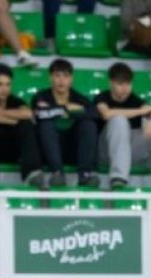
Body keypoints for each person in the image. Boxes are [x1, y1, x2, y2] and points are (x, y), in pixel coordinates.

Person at [95, 63, 151, 192]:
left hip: (132, 151)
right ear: (111, 82)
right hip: (107, 151)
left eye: (128, 84)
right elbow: (106, 114)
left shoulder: (135, 99)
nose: (124, 89)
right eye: (120, 84)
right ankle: (118, 177)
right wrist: (141, 111)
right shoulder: (102, 97)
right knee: (118, 120)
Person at [33, 59, 99, 188]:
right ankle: (57, 173)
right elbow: (40, 114)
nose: (61, 81)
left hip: (73, 148)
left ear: (71, 79)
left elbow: (94, 114)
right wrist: (67, 109)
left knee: (89, 125)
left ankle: (85, 173)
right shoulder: (41, 96)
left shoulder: (78, 97)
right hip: (48, 149)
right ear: (50, 78)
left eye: (65, 76)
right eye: (57, 76)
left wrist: (54, 110)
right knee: (46, 125)